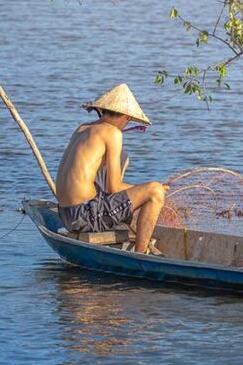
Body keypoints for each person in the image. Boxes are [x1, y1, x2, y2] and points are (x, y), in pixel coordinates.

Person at [55, 83, 167, 253]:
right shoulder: (113, 133)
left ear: (103, 110)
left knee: (124, 157)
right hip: (85, 216)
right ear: (126, 116)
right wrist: (146, 190)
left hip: (66, 214)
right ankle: (140, 254)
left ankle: (127, 224)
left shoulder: (83, 128)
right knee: (155, 190)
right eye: (128, 119)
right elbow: (113, 188)